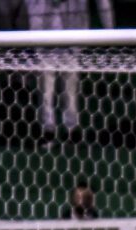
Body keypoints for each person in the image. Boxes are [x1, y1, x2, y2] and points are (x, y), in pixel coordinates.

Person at [26, 0, 115, 142]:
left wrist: (109, 30)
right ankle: (48, 130)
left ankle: (70, 129)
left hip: (72, 29)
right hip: (43, 29)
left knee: (70, 84)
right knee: (46, 84)